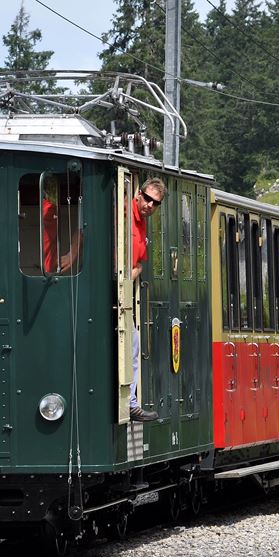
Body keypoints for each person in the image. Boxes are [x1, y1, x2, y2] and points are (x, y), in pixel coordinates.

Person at [129, 177, 166, 422]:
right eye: (148, 199)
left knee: (133, 345)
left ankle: (130, 402)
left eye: (156, 203)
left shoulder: (142, 223)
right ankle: (129, 404)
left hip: (124, 292)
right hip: (117, 290)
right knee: (132, 345)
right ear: (138, 194)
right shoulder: (125, 213)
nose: (150, 205)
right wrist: (132, 273)